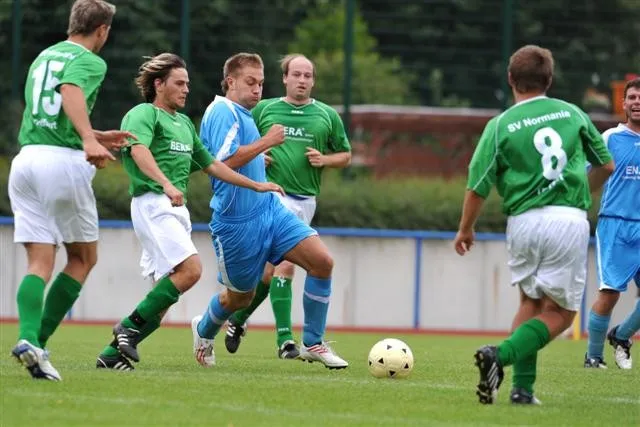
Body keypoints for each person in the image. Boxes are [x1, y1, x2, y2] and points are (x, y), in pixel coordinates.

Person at [94, 53, 284, 370]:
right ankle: (126, 327)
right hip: (153, 202)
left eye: (187, 84)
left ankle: (111, 355)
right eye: (179, 83)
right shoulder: (143, 113)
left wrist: (256, 185)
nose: (186, 89)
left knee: (161, 303)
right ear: (158, 84)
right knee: (191, 270)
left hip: (173, 208)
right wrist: (166, 184)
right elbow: (138, 150)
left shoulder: (183, 124)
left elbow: (213, 165)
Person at [453, 45, 614, 404]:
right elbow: (606, 165)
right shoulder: (572, 113)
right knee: (562, 313)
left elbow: (477, 186)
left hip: (523, 221)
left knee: (530, 301)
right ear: (549, 79)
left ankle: (522, 390)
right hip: (566, 220)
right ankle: (499, 356)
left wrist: (465, 228)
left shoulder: (500, 126)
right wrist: (578, 194)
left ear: (511, 79)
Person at [190, 52, 348, 369]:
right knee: (240, 298)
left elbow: (239, 156)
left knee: (322, 262)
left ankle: (312, 342)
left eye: (261, 83)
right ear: (230, 81)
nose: (257, 89)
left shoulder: (246, 113)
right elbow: (219, 163)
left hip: (271, 210)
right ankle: (204, 330)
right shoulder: (221, 111)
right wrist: (266, 143)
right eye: (251, 82)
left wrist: (256, 159)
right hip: (237, 222)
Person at [8, 0, 130, 381]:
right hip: (61, 165)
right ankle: (39, 342)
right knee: (82, 258)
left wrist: (94, 135)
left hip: (26, 161)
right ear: (102, 30)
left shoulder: (43, 56)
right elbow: (70, 89)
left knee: (39, 263)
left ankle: (28, 339)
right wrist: (88, 141)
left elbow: (48, 114)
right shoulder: (90, 60)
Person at [585, 77, 640, 370]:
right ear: (624, 103)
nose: (637, 102)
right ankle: (593, 357)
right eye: (632, 97)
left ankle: (621, 335)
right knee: (610, 294)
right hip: (616, 225)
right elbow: (587, 177)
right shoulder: (609, 138)